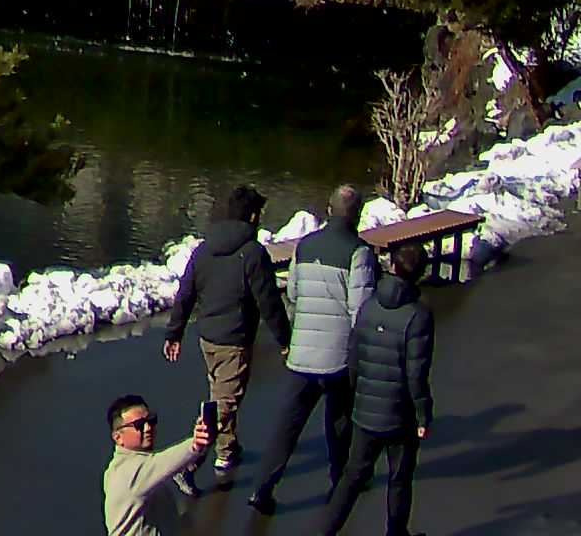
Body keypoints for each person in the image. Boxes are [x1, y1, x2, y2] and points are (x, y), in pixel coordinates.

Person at [245, 185, 371, 512]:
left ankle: (262, 489)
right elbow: (361, 310)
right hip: (338, 358)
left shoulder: (305, 245)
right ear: (357, 214)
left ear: (329, 210)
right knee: (339, 423)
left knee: (287, 426)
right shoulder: (358, 252)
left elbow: (296, 293)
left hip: (302, 355)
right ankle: (339, 485)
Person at [160, 185, 286, 490]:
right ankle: (189, 462)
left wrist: (174, 332)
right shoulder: (253, 253)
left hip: (208, 339)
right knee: (224, 404)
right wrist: (285, 340)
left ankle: (227, 451)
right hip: (235, 340)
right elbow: (268, 301)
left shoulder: (203, 249)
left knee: (220, 394)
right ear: (253, 216)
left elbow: (186, 293)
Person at [314, 245, 432, 536]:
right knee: (400, 477)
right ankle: (396, 532)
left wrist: (355, 395)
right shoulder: (418, 317)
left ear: (392, 265)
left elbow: (354, 357)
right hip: (399, 415)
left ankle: (324, 532)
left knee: (352, 477)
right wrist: (422, 414)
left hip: (365, 412)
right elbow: (416, 374)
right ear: (421, 273)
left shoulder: (368, 305)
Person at [100, 395, 214, 536]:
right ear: (118, 437)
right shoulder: (129, 473)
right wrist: (195, 444)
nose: (148, 428)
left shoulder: (117, 468)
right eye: (139, 425)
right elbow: (164, 462)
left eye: (151, 421)